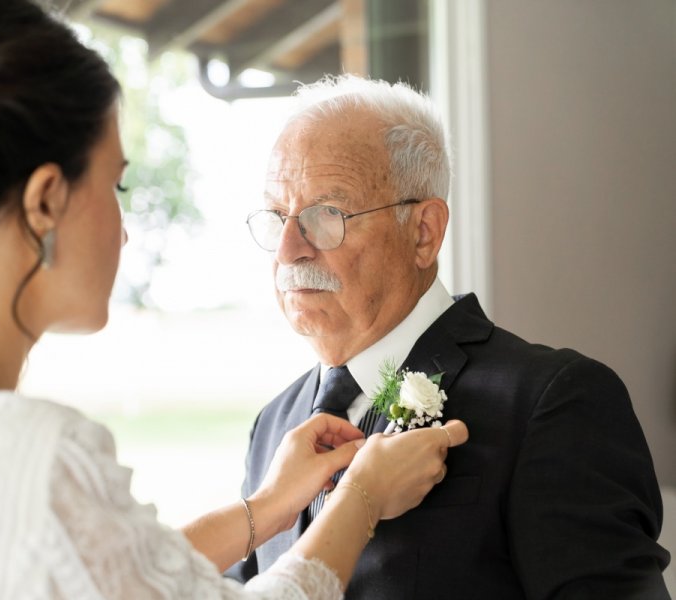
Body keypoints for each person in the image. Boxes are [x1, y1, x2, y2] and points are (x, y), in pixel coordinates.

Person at [0, 2, 468, 599]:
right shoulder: (18, 445)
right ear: (47, 200)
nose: (127, 228)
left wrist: (268, 507)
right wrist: (365, 497)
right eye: (118, 186)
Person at [227, 74, 671, 599]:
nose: (287, 251)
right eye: (279, 216)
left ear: (424, 232)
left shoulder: (553, 402)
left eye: (326, 214)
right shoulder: (274, 424)